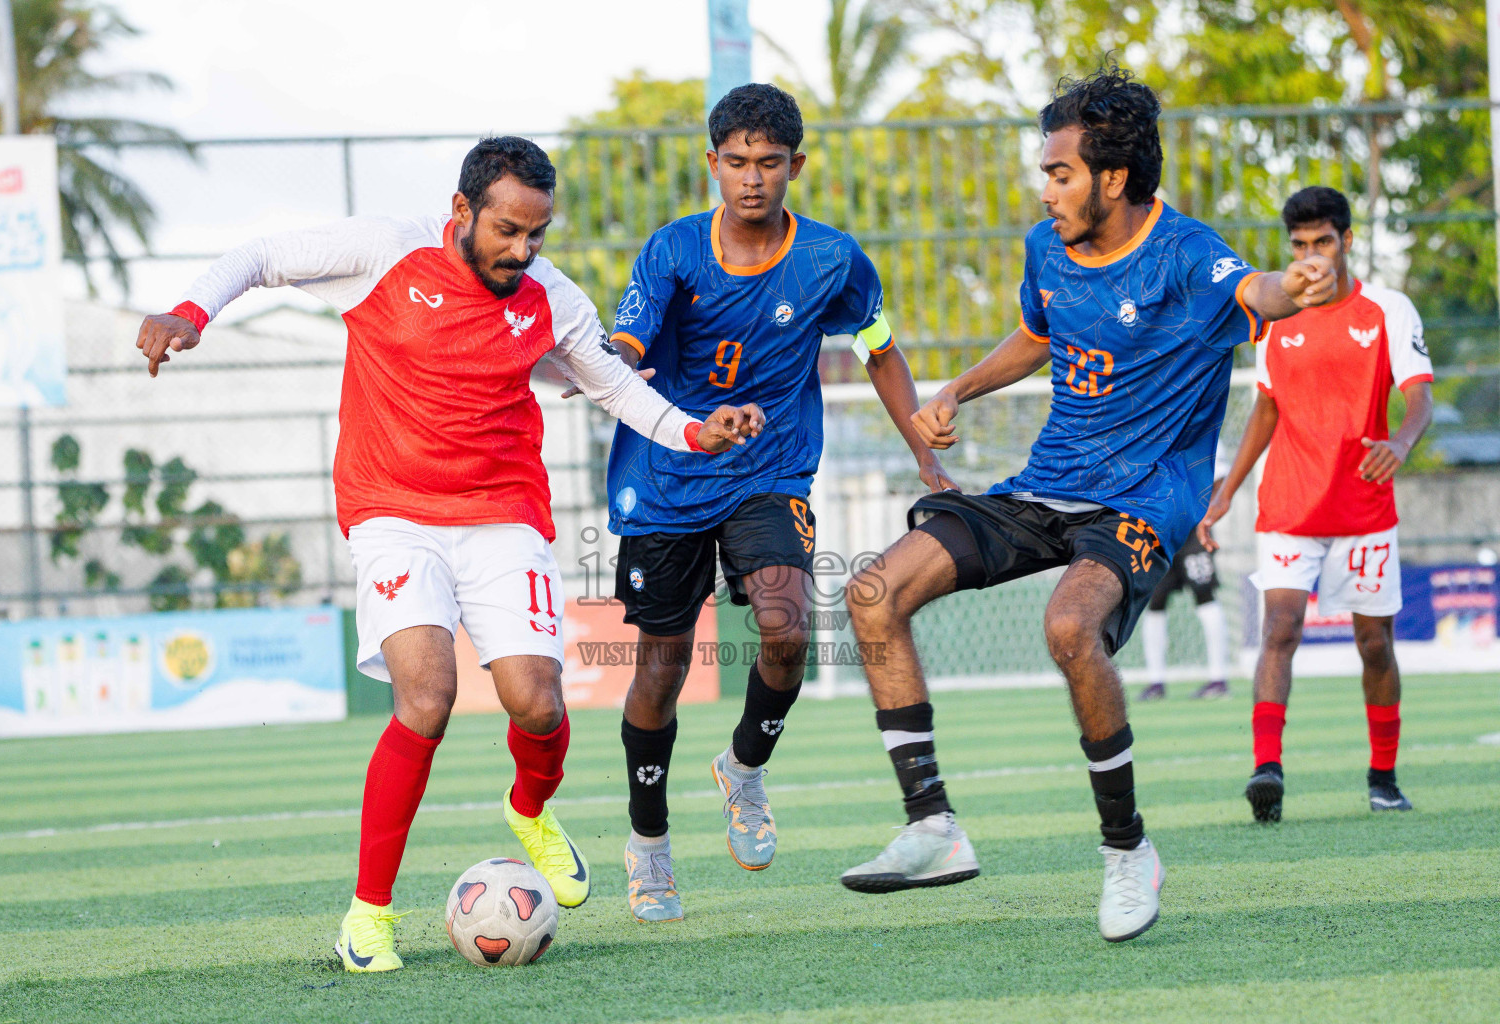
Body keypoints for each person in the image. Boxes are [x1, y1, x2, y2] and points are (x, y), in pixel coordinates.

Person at [134, 137, 764, 971]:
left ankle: (530, 812)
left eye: (537, 234)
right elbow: (260, 256)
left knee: (536, 704)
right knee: (425, 698)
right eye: (507, 231)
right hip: (393, 512)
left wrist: (694, 430)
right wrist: (191, 313)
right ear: (462, 212)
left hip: (504, 512)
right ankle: (370, 916)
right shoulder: (385, 250)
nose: (522, 251)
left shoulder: (548, 296)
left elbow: (614, 387)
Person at [837, 63, 1335, 943]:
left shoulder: (1184, 252)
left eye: (1060, 171)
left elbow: (1252, 291)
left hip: (1146, 499)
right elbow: (1038, 333)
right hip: (1046, 486)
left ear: (1113, 177)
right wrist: (960, 388)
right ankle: (932, 826)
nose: (1047, 186)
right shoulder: (1046, 248)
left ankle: (1127, 850)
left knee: (1070, 629)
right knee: (873, 592)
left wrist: (1288, 289)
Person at [590, 84, 949, 923]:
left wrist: (924, 455)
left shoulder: (832, 259)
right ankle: (648, 844)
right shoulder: (672, 250)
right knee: (662, 670)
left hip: (769, 471)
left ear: (796, 165)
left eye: (770, 163)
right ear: (712, 163)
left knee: (788, 632)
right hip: (669, 474)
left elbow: (880, 347)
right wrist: (612, 367)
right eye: (738, 163)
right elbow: (632, 344)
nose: (753, 179)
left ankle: (744, 767)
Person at [1198, 185, 1434, 823]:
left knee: (1375, 645)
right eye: (1299, 245)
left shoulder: (1389, 309)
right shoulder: (1276, 317)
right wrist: (1224, 494)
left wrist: (1402, 441)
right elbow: (1265, 410)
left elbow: (1418, 397)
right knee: (1278, 631)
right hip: (1289, 507)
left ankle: (1382, 776)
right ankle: (1266, 770)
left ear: (1346, 242)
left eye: (1322, 242)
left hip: (1362, 508)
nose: (1310, 256)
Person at [1139, 449, 1233, 700]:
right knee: (1154, 602)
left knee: (1205, 596)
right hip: (1159, 532)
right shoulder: (1151, 429)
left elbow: (1220, 477)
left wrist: (1206, 515)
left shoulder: (1202, 423)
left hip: (1194, 531)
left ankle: (1218, 679)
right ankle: (1156, 682)